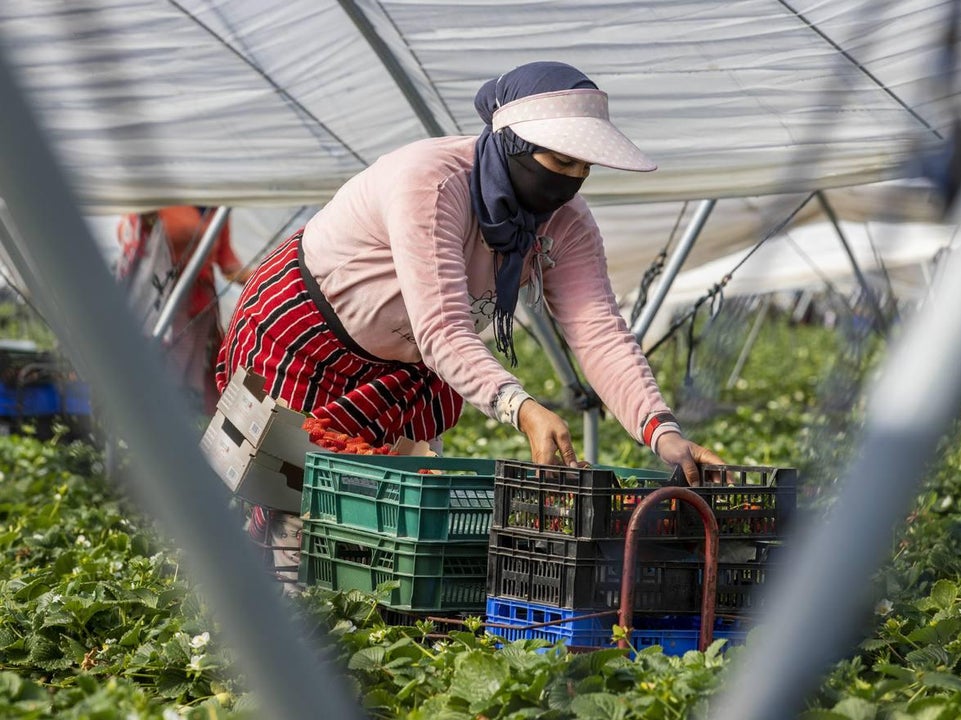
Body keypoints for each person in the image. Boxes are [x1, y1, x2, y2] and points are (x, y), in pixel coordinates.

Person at [217, 61, 720, 483]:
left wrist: (662, 431)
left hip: (406, 369)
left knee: (392, 513)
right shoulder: (432, 183)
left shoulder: (566, 225)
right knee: (288, 495)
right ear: (514, 146)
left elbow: (599, 333)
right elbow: (442, 329)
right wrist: (523, 409)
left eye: (585, 167)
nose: (570, 182)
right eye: (561, 161)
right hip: (306, 336)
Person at [117, 206, 251, 415]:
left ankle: (186, 430)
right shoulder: (166, 200)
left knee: (194, 374)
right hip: (165, 299)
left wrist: (266, 279)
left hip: (201, 304)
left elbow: (228, 264)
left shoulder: (219, 210)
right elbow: (131, 235)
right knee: (165, 364)